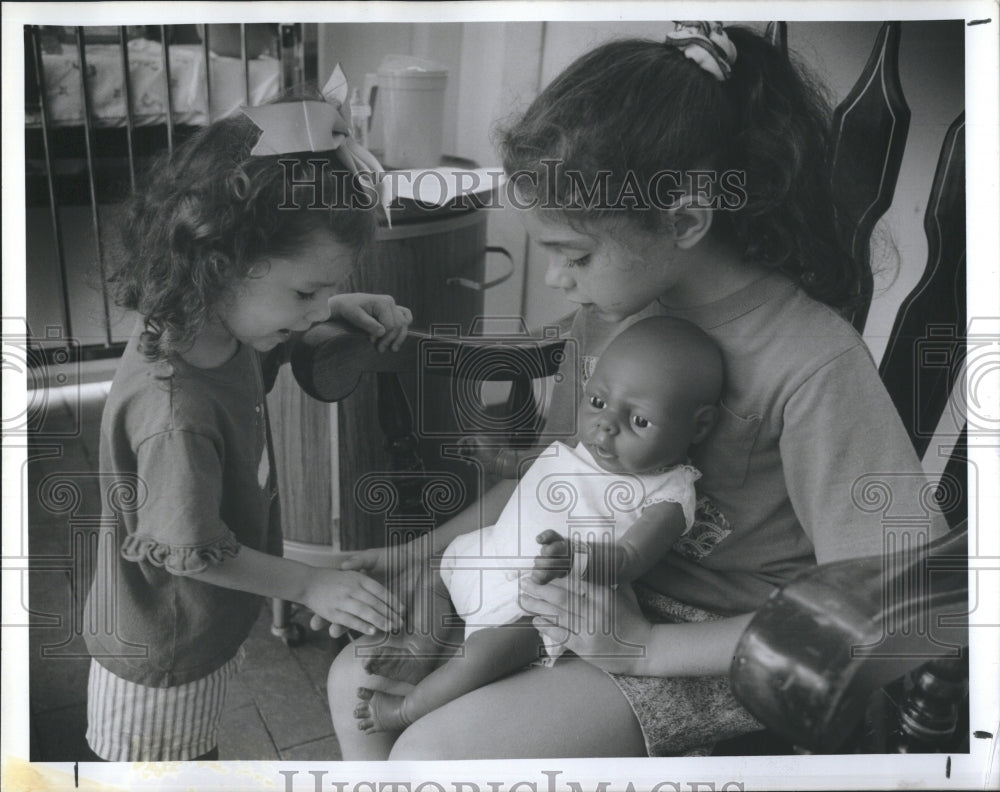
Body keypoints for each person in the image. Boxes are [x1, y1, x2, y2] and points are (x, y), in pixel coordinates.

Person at [327, 22, 948, 758]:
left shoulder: (811, 362)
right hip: (580, 590)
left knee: (436, 752)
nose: (557, 280)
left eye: (574, 253)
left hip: (713, 642)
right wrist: (415, 553)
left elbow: (910, 602)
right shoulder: (611, 319)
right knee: (353, 678)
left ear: (683, 219)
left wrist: (649, 646)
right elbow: (553, 481)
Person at [82, 87, 413, 762]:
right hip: (163, 651)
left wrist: (332, 307)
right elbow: (189, 550)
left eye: (327, 289)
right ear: (219, 263)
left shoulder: (216, 328)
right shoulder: (175, 412)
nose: (318, 311)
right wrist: (308, 582)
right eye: (305, 291)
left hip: (199, 627)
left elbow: (262, 339)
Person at [351, 317, 723, 733]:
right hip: (493, 552)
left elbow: (630, 558)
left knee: (482, 656)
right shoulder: (589, 446)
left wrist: (576, 559)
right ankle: (421, 645)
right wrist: (498, 460)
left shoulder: (668, 493)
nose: (607, 425)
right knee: (437, 566)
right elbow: (534, 466)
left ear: (699, 426)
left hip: (544, 599)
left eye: (639, 421)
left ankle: (406, 710)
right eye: (598, 403)